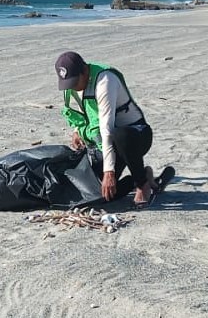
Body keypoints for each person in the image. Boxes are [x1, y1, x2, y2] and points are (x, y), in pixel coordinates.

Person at [54, 51, 156, 206]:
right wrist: (76, 131)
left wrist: (110, 172)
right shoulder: (75, 84)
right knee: (96, 194)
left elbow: (106, 128)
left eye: (74, 82)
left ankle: (142, 183)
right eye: (69, 84)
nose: (73, 87)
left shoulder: (105, 80)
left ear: (84, 71)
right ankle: (140, 176)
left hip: (135, 136)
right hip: (111, 143)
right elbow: (84, 112)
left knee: (119, 135)